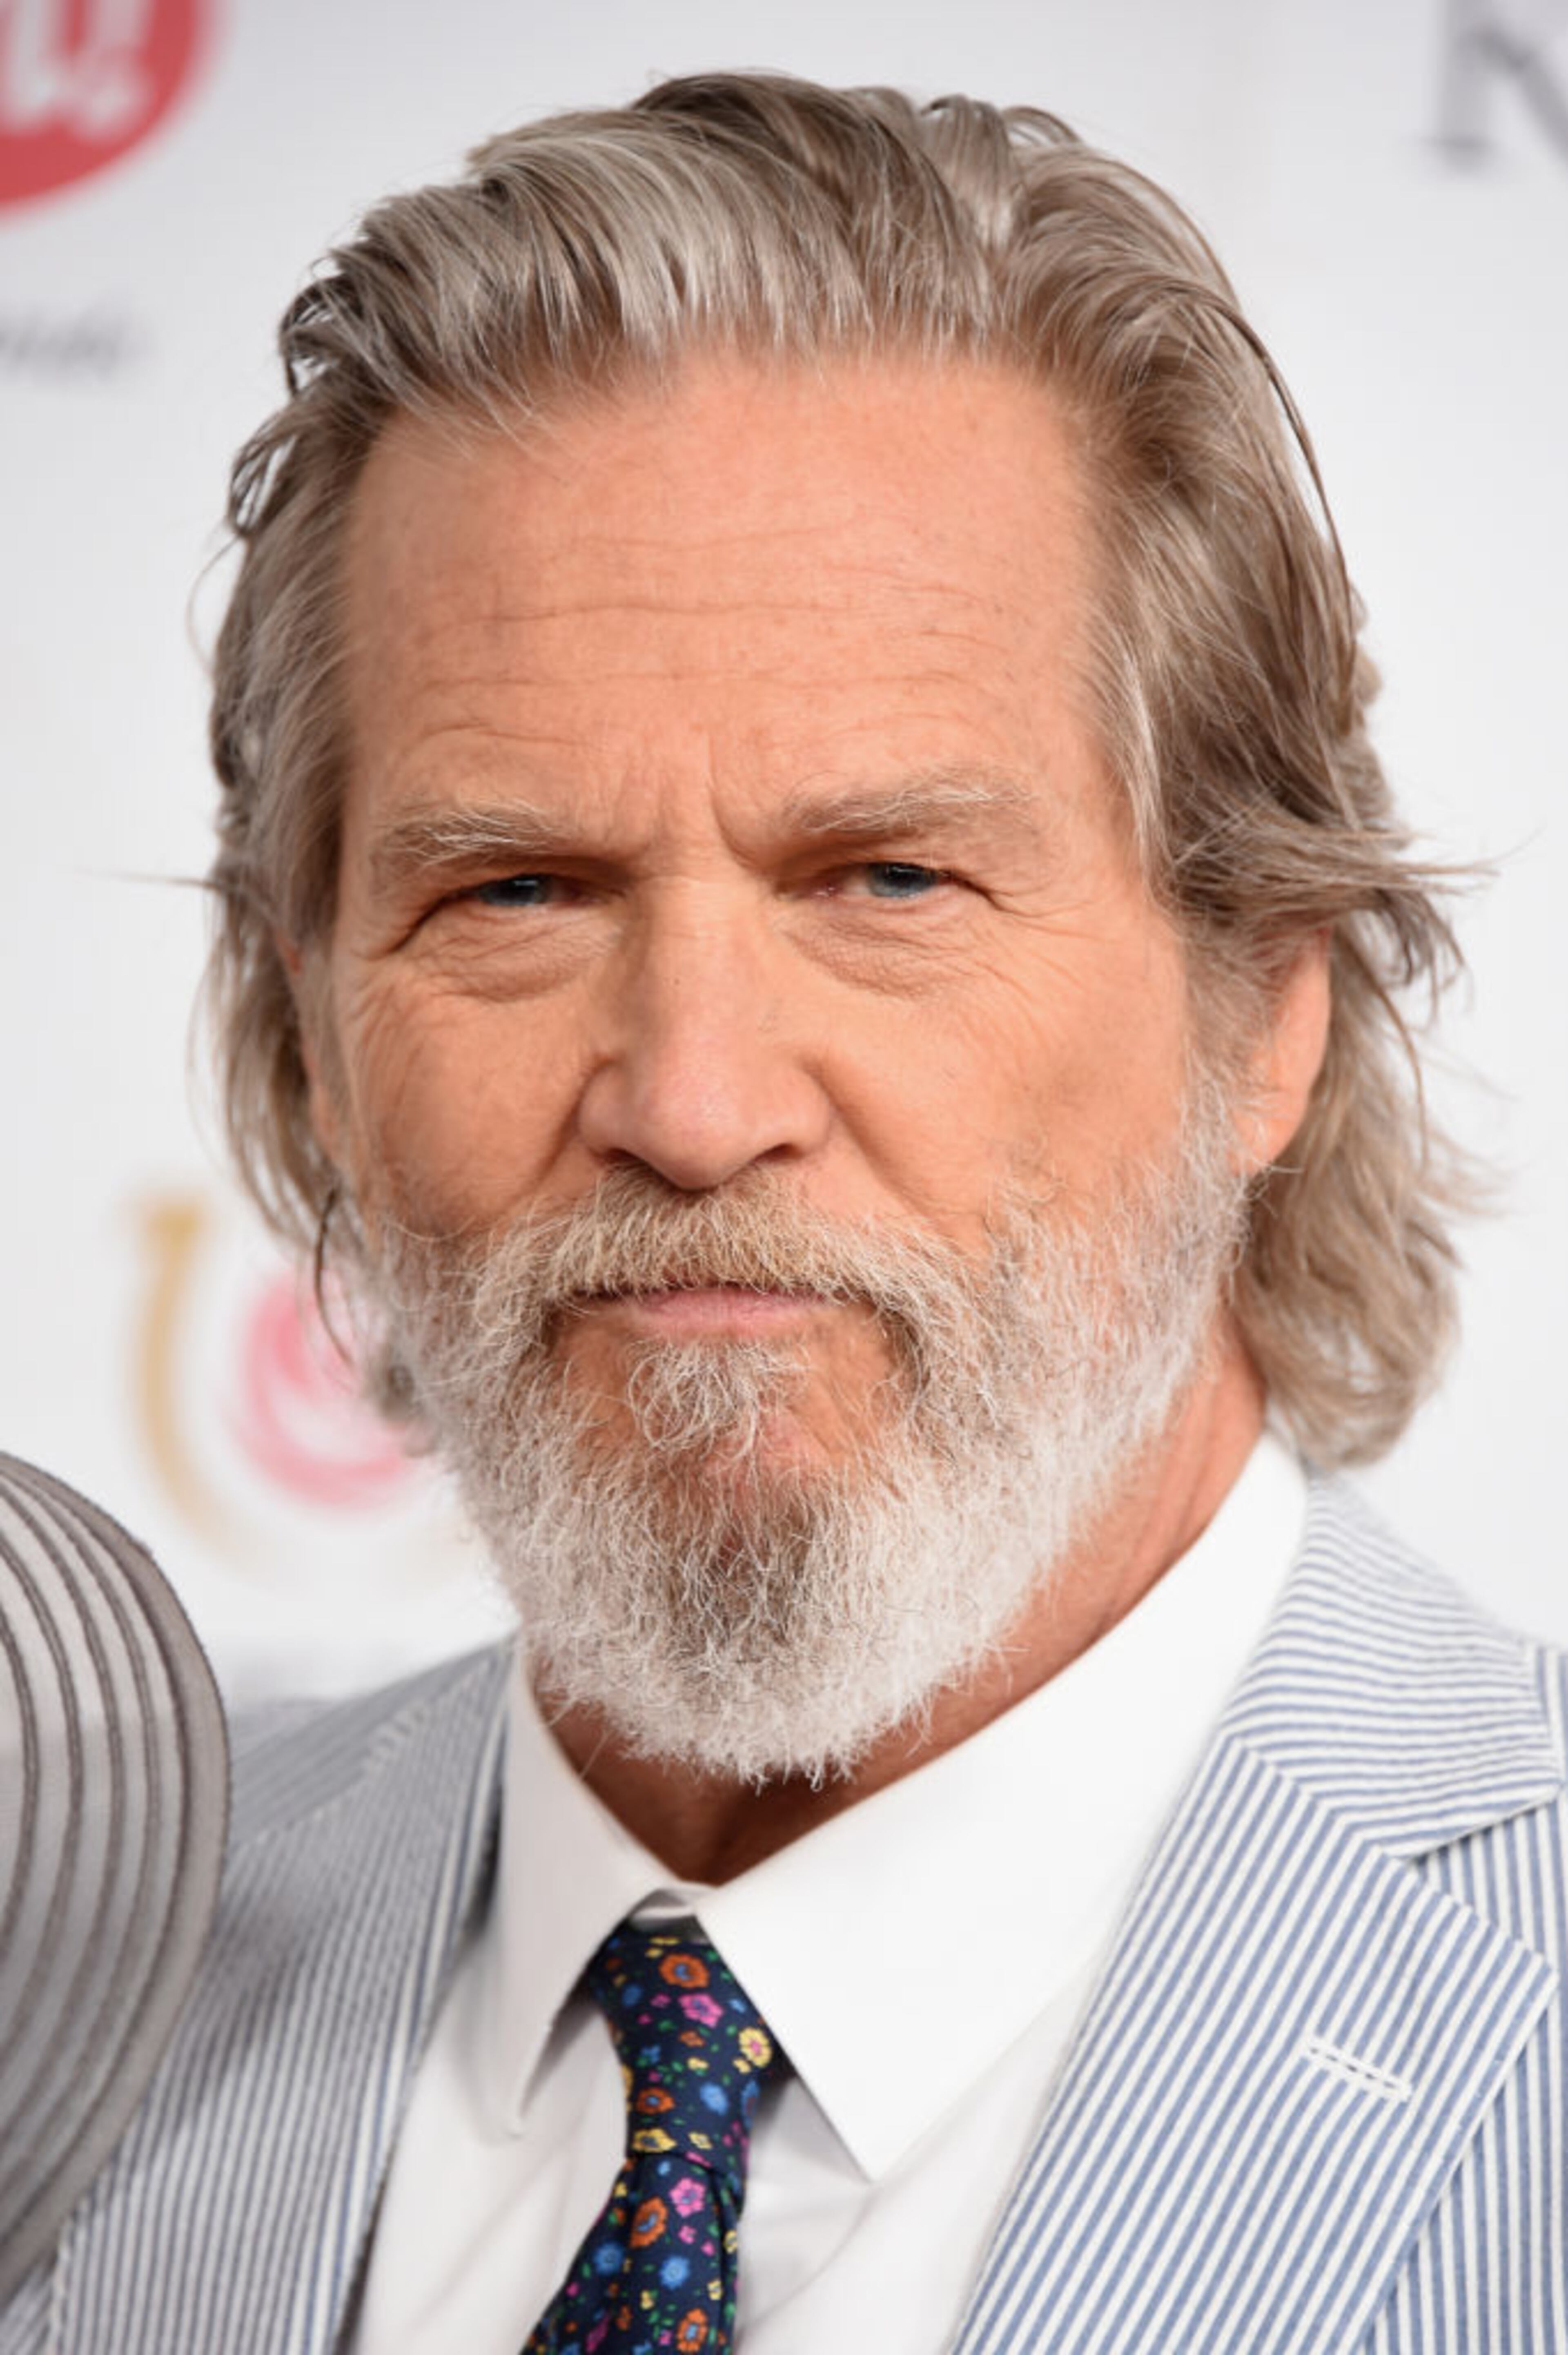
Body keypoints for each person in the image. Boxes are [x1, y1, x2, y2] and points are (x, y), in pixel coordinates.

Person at [6, 68, 1565, 2355]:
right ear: (306, 1034)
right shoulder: (70, 1948)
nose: (695, 1099)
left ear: (1271, 1010)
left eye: (889, 878)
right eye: (516, 888)